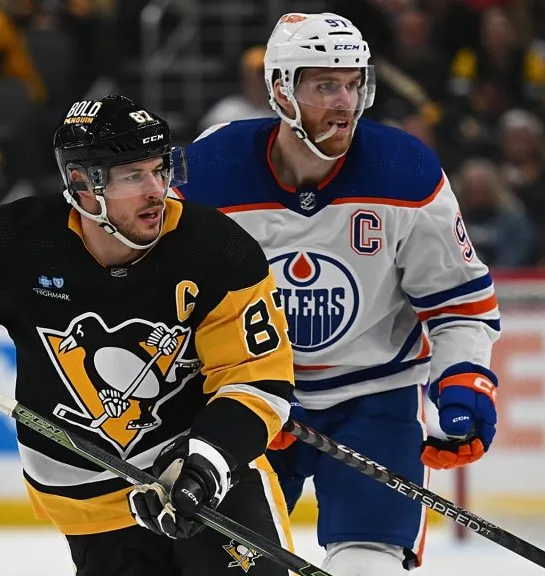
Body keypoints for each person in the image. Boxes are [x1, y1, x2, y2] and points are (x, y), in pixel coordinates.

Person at [0, 95, 297, 575]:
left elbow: (258, 380)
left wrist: (208, 463)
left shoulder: (218, 248)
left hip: (205, 480)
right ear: (82, 185)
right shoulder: (19, 240)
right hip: (89, 508)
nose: (156, 191)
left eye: (159, 169)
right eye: (133, 176)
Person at [174, 13, 502, 575]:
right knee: (221, 566)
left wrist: (465, 374)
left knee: (367, 567)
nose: (345, 102)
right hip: (250, 398)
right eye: (326, 85)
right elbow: (173, 300)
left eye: (353, 84)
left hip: (374, 400)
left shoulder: (406, 170)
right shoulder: (207, 171)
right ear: (281, 89)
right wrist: (236, 394)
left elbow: (457, 299)